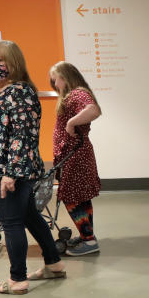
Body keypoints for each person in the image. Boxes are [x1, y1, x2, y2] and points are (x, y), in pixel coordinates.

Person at [0, 40, 65, 294]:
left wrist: (11, 172)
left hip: (9, 169)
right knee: (30, 215)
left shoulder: (19, 91)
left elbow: (23, 133)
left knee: (11, 223)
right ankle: (54, 264)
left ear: (14, 63)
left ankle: (17, 280)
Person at [49, 61, 102, 256]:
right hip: (75, 154)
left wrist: (71, 123)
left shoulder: (77, 93)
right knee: (80, 197)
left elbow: (93, 110)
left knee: (71, 196)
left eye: (55, 79)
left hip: (76, 155)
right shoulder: (74, 94)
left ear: (65, 77)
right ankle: (87, 236)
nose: (54, 84)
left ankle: (88, 241)